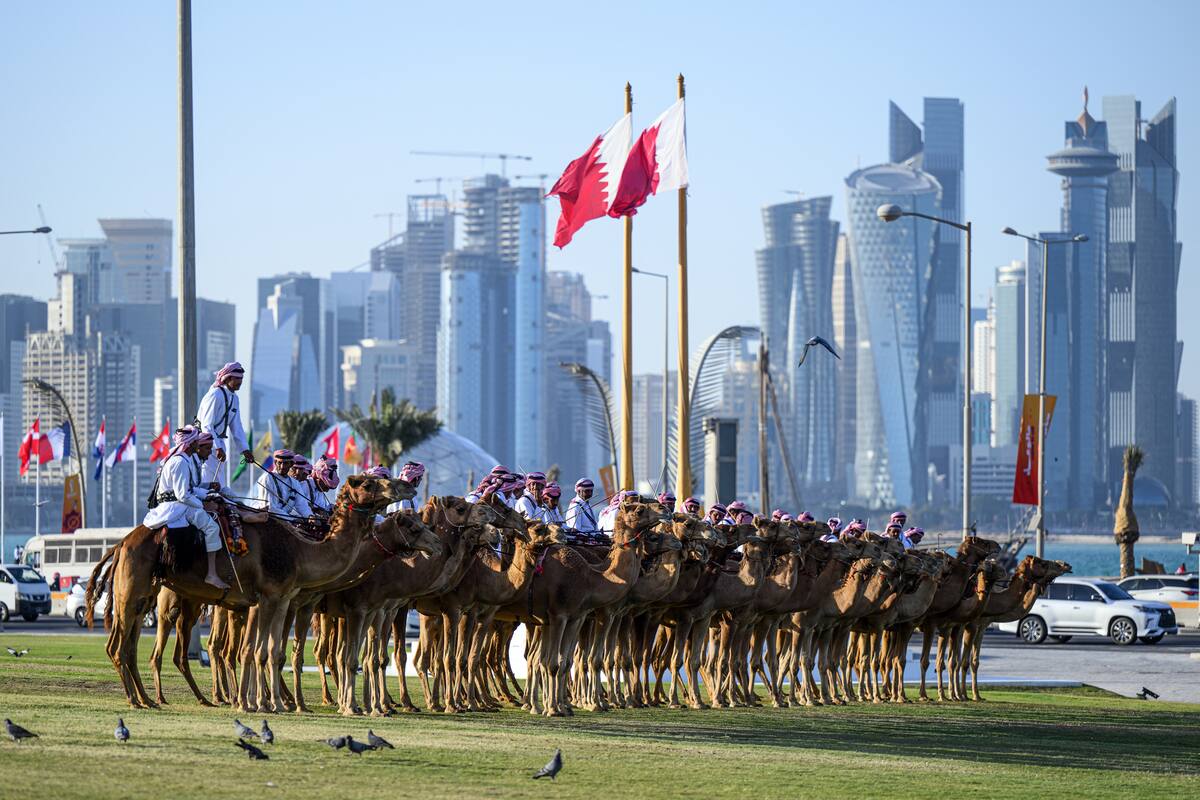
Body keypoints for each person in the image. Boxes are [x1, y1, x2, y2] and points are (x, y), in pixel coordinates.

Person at [144, 426, 227, 589]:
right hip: (176, 507)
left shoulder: (183, 460)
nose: (197, 443)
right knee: (212, 528)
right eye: (196, 441)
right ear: (191, 444)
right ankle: (211, 574)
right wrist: (203, 504)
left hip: (178, 504)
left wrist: (208, 494)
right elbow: (183, 495)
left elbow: (190, 489)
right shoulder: (180, 462)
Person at [195, 362, 253, 487]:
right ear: (227, 378)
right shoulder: (215, 395)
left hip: (220, 443)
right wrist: (217, 447)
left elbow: (237, 427)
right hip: (206, 445)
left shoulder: (235, 399)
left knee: (219, 480)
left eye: (241, 378)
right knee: (209, 478)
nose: (240, 382)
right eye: (236, 378)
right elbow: (206, 425)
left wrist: (245, 449)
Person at [254, 450, 298, 514]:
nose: (282, 467)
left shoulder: (294, 483)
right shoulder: (267, 478)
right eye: (279, 463)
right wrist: (289, 518)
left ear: (291, 464)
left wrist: (309, 516)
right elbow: (269, 508)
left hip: (284, 517)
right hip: (266, 517)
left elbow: (302, 505)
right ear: (275, 462)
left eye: (286, 463)